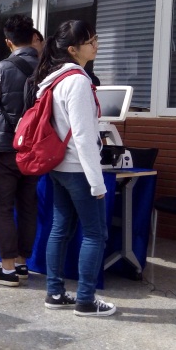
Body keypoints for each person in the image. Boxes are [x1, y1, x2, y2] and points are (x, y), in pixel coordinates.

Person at [34, 20, 115, 317]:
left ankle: (55, 293)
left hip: (59, 166)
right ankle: (85, 300)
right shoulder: (78, 81)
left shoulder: (54, 80)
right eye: (90, 41)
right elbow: (83, 135)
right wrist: (97, 182)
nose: (96, 45)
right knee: (94, 234)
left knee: (60, 229)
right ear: (72, 49)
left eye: (95, 38)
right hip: (78, 169)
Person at [0, 15, 42, 287]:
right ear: (33, 37)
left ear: (8, 42)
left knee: (2, 207)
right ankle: (22, 263)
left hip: (5, 146)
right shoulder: (48, 69)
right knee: (28, 205)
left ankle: (7, 270)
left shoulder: (2, 68)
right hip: (35, 147)